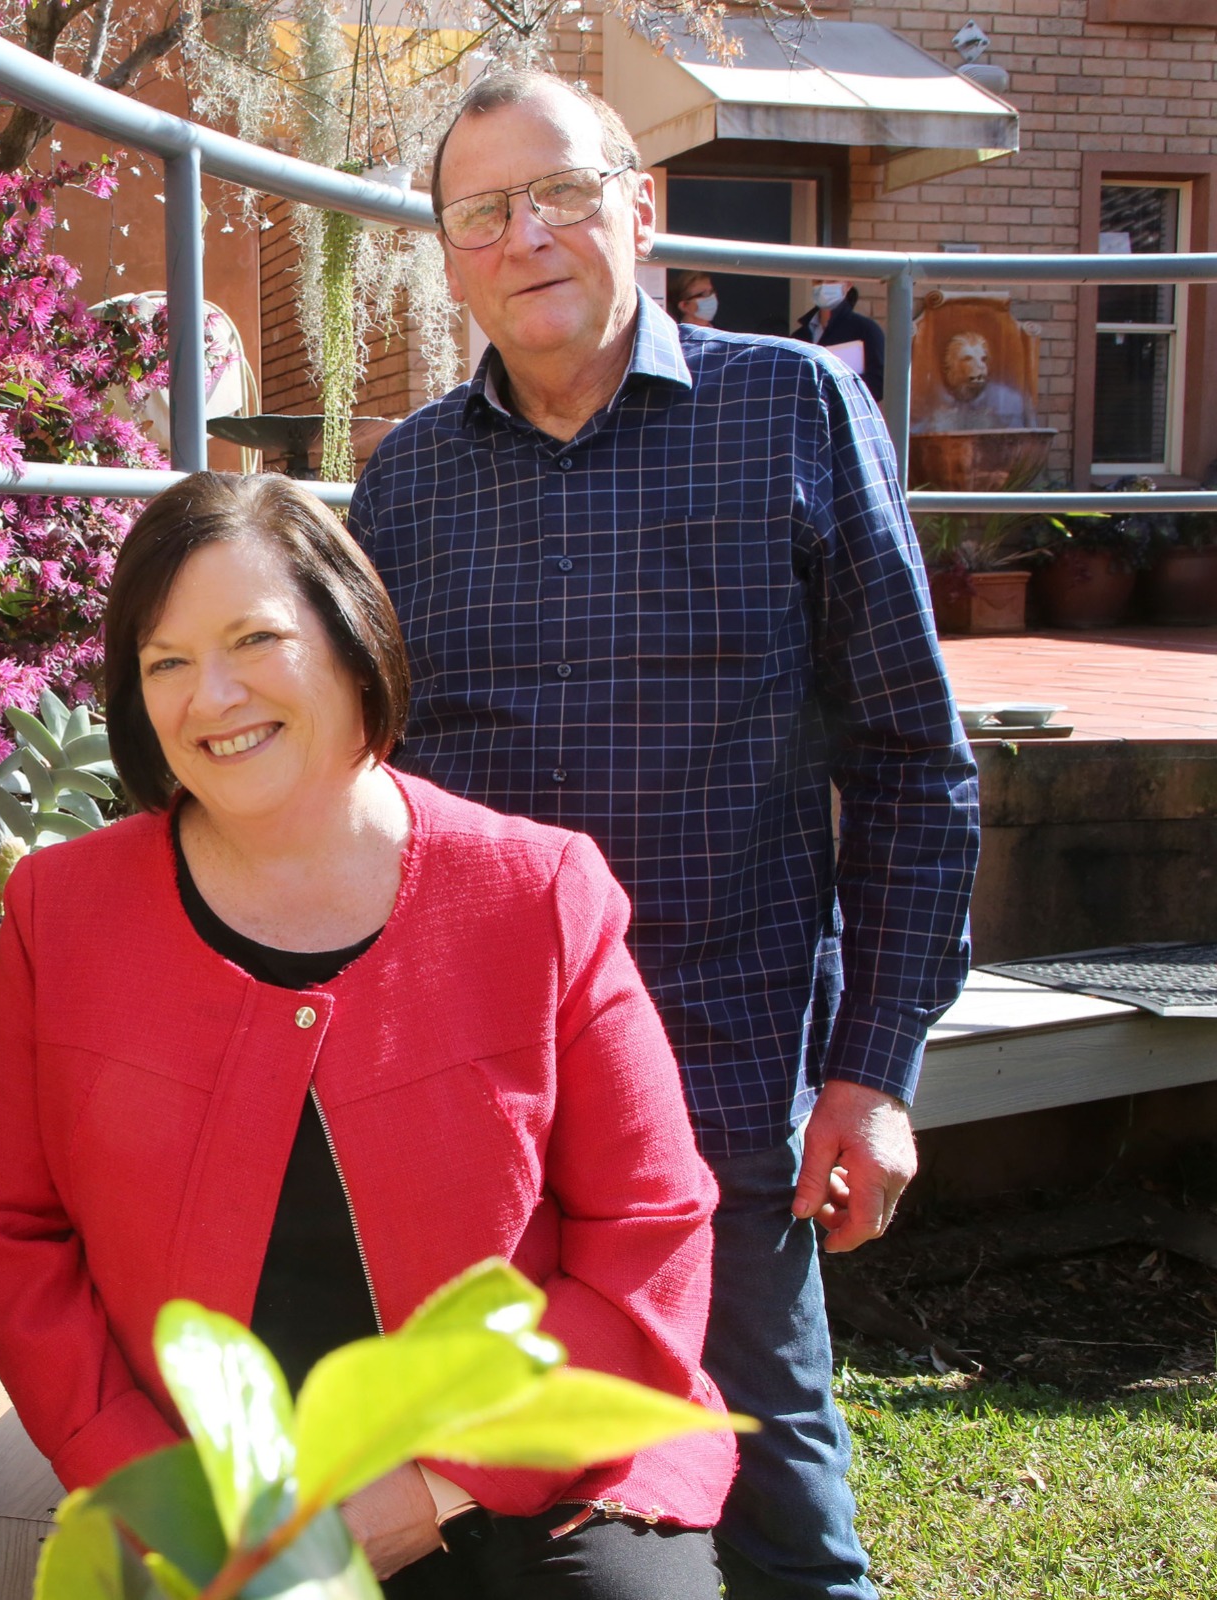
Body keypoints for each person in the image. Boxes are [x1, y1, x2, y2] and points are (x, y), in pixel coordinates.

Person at [350, 70, 980, 1600]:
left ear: (643, 207)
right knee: (509, 1520)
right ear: (449, 258)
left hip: (726, 1080)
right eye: (484, 211)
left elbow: (912, 762)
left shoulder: (795, 408)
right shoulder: (407, 482)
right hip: (482, 1104)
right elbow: (356, 793)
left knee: (778, 1521)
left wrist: (874, 1069)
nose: (528, 235)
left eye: (562, 191)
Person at [0, 471, 739, 1598]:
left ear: (352, 636)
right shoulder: (58, 911)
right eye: (165, 661)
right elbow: (5, 1231)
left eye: (254, 638)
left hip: (530, 1474)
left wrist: (426, 1489)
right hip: (216, 1501)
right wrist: (155, 1488)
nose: (210, 696)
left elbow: (648, 1234)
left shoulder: (538, 890)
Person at [792, 277, 886, 400]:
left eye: (832, 281)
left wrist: (834, 383)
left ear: (847, 285)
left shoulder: (866, 330)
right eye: (818, 281)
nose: (824, 286)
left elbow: (879, 385)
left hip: (847, 414)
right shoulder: (799, 337)